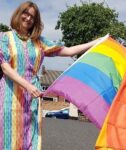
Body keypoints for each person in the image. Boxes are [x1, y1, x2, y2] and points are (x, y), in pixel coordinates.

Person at [0, 1, 100, 150]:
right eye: (25, 14)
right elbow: (5, 67)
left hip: (32, 99)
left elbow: (68, 51)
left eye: (32, 17)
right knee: (9, 138)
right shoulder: (5, 37)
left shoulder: (39, 42)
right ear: (18, 14)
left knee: (31, 139)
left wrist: (96, 42)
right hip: (10, 97)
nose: (28, 18)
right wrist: (27, 85)